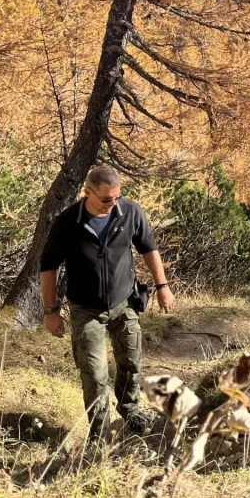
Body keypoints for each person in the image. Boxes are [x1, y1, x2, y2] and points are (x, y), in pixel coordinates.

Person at [39, 165, 175, 442]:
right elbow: (48, 267)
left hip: (125, 302)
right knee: (94, 373)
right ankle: (99, 434)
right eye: (105, 199)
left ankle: (131, 410)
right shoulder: (68, 222)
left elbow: (149, 248)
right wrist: (50, 312)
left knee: (131, 362)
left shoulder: (130, 212)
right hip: (86, 310)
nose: (112, 204)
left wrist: (163, 287)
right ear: (87, 192)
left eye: (116, 197)